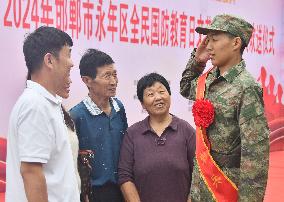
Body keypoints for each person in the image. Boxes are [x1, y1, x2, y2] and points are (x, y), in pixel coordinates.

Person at [180, 14, 270, 201]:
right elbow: (186, 87)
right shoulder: (209, 79)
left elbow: (255, 154)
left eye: (215, 39)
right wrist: (198, 61)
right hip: (201, 184)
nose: (209, 46)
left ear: (236, 43)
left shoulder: (246, 87)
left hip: (226, 187)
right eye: (208, 40)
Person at [6, 26, 80, 202]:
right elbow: (31, 172)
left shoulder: (46, 103)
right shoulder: (35, 105)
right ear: (49, 60)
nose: (72, 62)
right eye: (68, 54)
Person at [118, 73, 196, 202]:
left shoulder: (186, 130)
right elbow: (124, 176)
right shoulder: (132, 134)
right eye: (150, 94)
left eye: (161, 91)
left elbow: (199, 174)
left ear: (169, 95)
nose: (158, 97)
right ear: (142, 104)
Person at [70, 49, 128, 202]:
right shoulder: (76, 116)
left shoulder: (119, 108)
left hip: (122, 189)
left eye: (114, 75)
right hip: (93, 194)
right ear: (87, 80)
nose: (113, 82)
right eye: (107, 76)